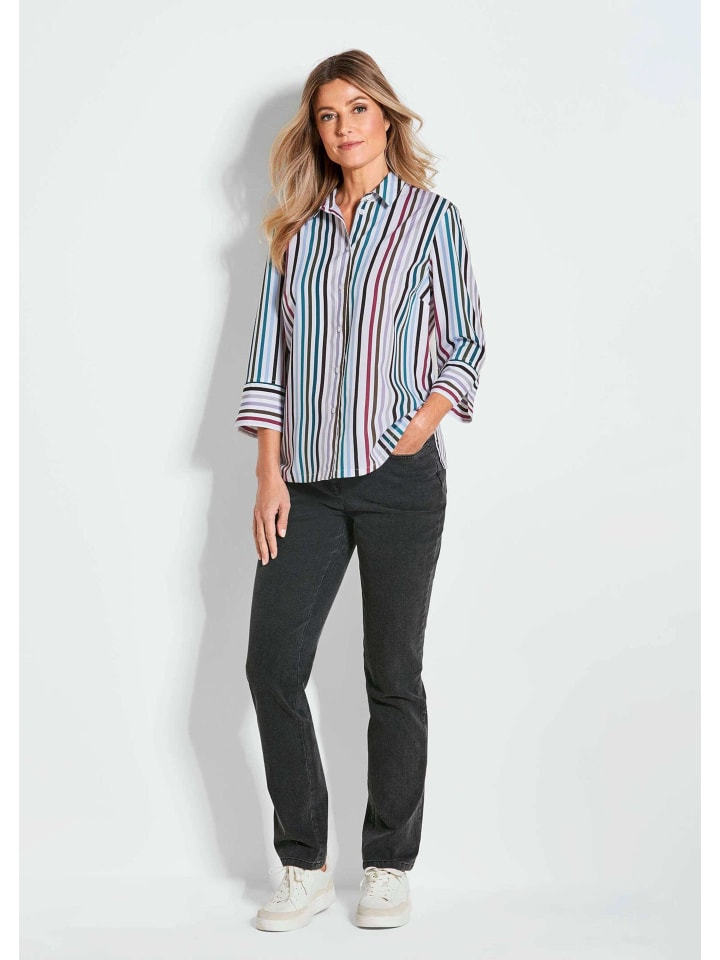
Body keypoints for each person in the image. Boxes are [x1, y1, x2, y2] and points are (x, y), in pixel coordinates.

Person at [236, 49, 486, 932]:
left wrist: (419, 425)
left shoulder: (431, 219)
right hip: (304, 484)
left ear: (386, 116)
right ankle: (302, 864)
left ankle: (388, 864)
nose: (343, 127)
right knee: (272, 665)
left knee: (393, 674)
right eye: (327, 114)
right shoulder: (294, 234)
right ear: (317, 129)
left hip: (400, 481)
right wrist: (268, 472)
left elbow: (465, 342)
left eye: (357, 109)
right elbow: (269, 358)